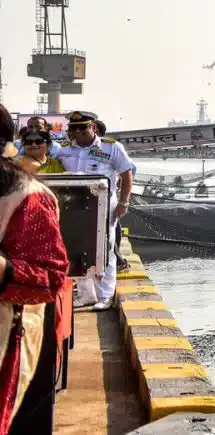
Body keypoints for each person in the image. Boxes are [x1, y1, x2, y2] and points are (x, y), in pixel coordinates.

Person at [0, 103, 70, 433]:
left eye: (38, 141)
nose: (34, 146)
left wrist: (5, 271)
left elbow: (51, 278)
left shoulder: (27, 198)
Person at [57, 111, 134, 311]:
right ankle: (86, 295)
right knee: (75, 247)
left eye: (82, 128)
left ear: (93, 127)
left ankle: (105, 295)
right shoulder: (63, 150)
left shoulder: (111, 147)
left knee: (104, 248)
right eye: (74, 128)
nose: (78, 132)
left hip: (103, 204)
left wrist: (124, 202)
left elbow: (126, 174)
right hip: (73, 205)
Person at [92, 120, 132, 272]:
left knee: (111, 232)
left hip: (107, 199)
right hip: (87, 202)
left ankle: (116, 260)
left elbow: (129, 172)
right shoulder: (70, 149)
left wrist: (123, 201)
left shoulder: (111, 148)